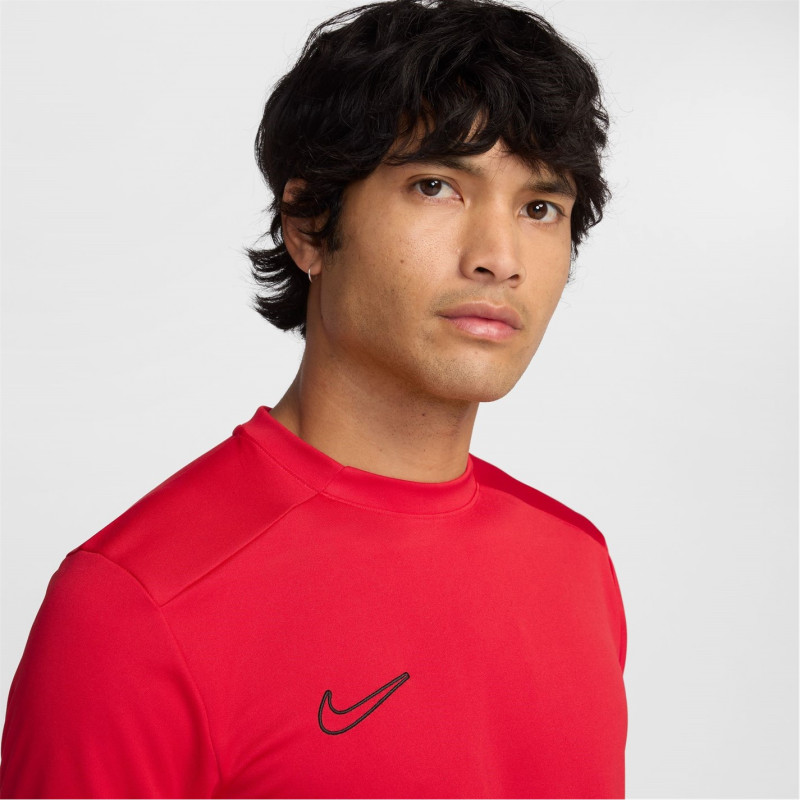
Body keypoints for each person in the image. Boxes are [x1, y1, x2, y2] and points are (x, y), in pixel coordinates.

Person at [0, 0, 627, 796]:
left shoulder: (575, 564)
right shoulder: (133, 609)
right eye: (436, 186)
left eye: (540, 208)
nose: (499, 258)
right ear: (308, 225)